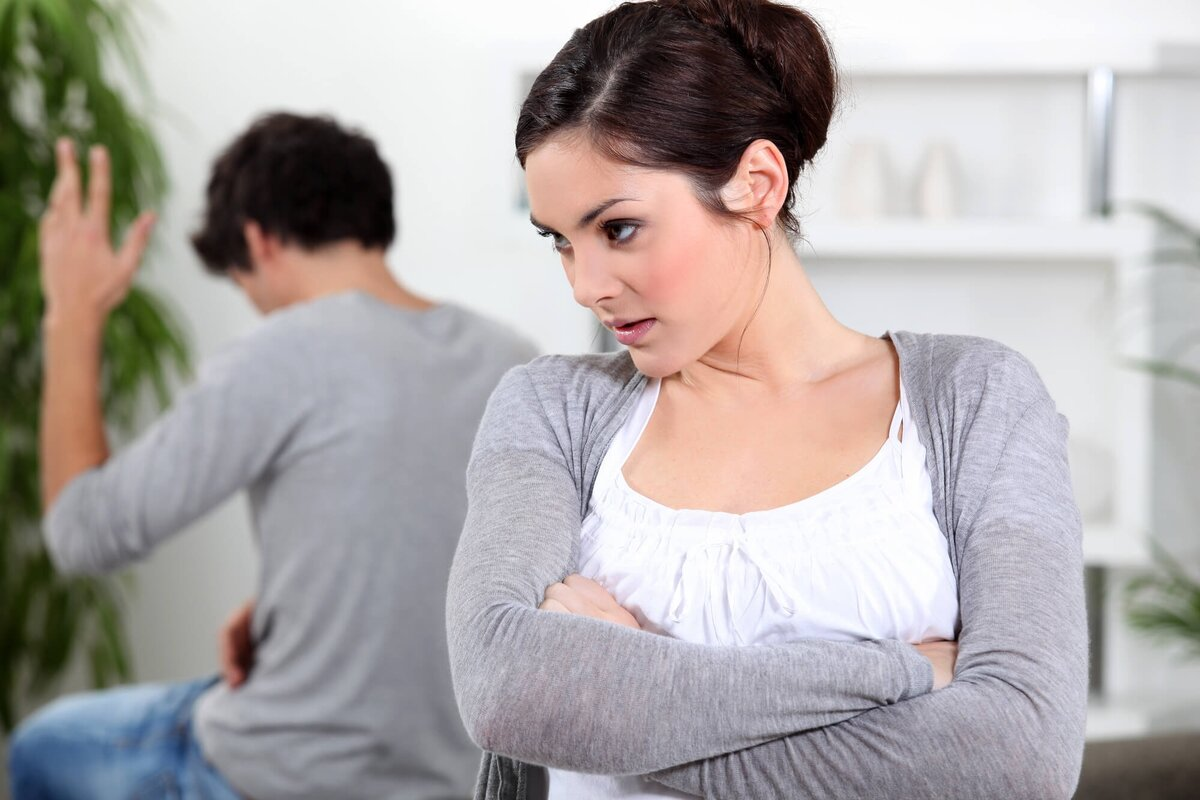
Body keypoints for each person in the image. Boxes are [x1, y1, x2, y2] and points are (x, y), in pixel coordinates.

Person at [445, 1, 1088, 798]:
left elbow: (1020, 758)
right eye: (560, 241)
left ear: (757, 184)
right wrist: (899, 672)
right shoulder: (550, 409)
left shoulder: (975, 400)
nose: (586, 286)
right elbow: (503, 688)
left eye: (618, 229)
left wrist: (627, 699)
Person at [11, 112, 536, 799]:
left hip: (290, 773)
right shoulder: (513, 359)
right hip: (459, 780)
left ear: (257, 241)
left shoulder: (285, 350)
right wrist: (295, 597)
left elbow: (83, 533)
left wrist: (72, 317)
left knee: (41, 747)